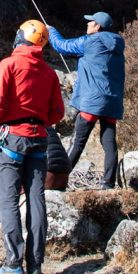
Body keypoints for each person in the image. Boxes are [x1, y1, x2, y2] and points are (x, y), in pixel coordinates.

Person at [0, 19, 64, 274]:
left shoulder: (8, 65)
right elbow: (58, 113)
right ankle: (35, 265)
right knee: (36, 200)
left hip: (12, 139)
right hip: (40, 139)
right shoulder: (50, 73)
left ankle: (13, 263)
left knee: (8, 200)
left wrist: (2, 121)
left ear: (21, 37)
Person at [47, 11, 124, 189]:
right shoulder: (117, 45)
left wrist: (51, 31)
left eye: (91, 22)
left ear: (97, 26)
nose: (87, 24)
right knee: (109, 143)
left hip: (92, 103)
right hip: (112, 103)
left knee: (77, 142)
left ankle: (59, 180)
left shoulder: (91, 41)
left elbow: (61, 46)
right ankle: (108, 184)